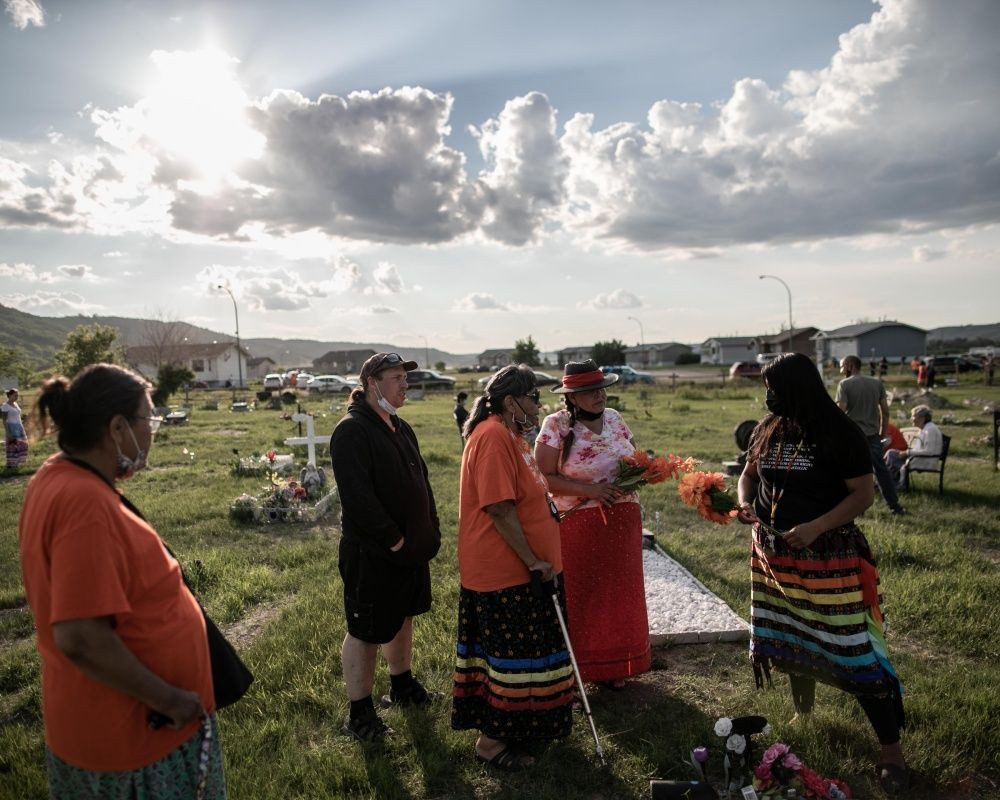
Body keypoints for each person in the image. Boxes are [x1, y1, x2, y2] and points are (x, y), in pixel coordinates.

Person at [18, 364, 225, 798]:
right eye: (148, 420)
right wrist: (170, 700)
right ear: (116, 427)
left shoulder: (58, 476)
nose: (152, 433)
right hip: (133, 746)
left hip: (117, 735)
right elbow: (80, 637)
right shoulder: (83, 503)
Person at [735, 354, 909, 794]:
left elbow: (863, 495)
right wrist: (745, 503)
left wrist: (815, 527)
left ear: (796, 388)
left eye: (773, 386)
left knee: (850, 649)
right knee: (791, 636)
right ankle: (803, 712)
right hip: (774, 558)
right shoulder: (768, 428)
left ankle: (891, 751)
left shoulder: (839, 432)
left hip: (826, 559)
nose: (767, 394)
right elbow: (749, 475)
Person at [451, 364, 573, 771]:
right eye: (534, 398)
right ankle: (492, 743)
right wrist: (534, 560)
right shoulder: (491, 437)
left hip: (528, 570)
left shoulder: (513, 435)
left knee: (531, 656)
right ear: (510, 402)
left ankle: (523, 729)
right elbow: (500, 509)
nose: (541, 405)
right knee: (512, 661)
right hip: (507, 572)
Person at [330, 352, 442, 741]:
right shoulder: (351, 431)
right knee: (366, 629)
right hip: (373, 551)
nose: (404, 383)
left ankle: (402, 686)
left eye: (404, 377)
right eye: (396, 377)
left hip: (409, 550)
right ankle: (360, 714)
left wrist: (430, 528)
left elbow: (422, 481)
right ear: (371, 383)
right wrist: (394, 540)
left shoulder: (400, 426)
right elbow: (358, 499)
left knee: (402, 614)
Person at [534, 360, 651, 687]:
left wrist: (642, 473)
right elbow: (543, 477)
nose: (598, 395)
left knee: (619, 594)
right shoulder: (556, 425)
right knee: (583, 593)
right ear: (571, 396)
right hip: (580, 522)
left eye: (600, 388)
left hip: (623, 520)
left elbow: (633, 457)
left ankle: (616, 667)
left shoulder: (614, 419)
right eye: (588, 390)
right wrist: (591, 490)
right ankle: (581, 670)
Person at [835, 355, 905, 515]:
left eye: (841, 367)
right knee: (881, 471)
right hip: (873, 435)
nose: (841, 371)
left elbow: (840, 412)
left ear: (850, 366)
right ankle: (895, 507)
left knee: (849, 473)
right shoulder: (876, 383)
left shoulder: (844, 384)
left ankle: (852, 509)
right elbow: (885, 412)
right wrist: (881, 433)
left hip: (852, 437)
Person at [885, 404, 943, 490]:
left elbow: (929, 451)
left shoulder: (930, 430)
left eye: (913, 416)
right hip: (918, 458)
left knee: (892, 456)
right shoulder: (925, 429)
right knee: (891, 453)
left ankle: (892, 484)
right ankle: (888, 482)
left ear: (922, 418)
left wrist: (907, 452)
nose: (911, 419)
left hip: (926, 461)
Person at [2, 387, 28, 468]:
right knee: (12, 446)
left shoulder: (15, 404)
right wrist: (8, 432)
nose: (17, 397)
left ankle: (19, 462)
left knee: (22, 444)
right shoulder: (5, 406)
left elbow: (18, 416)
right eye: (15, 395)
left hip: (19, 427)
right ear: (9, 395)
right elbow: (4, 420)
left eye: (17, 395)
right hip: (11, 427)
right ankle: (11, 464)